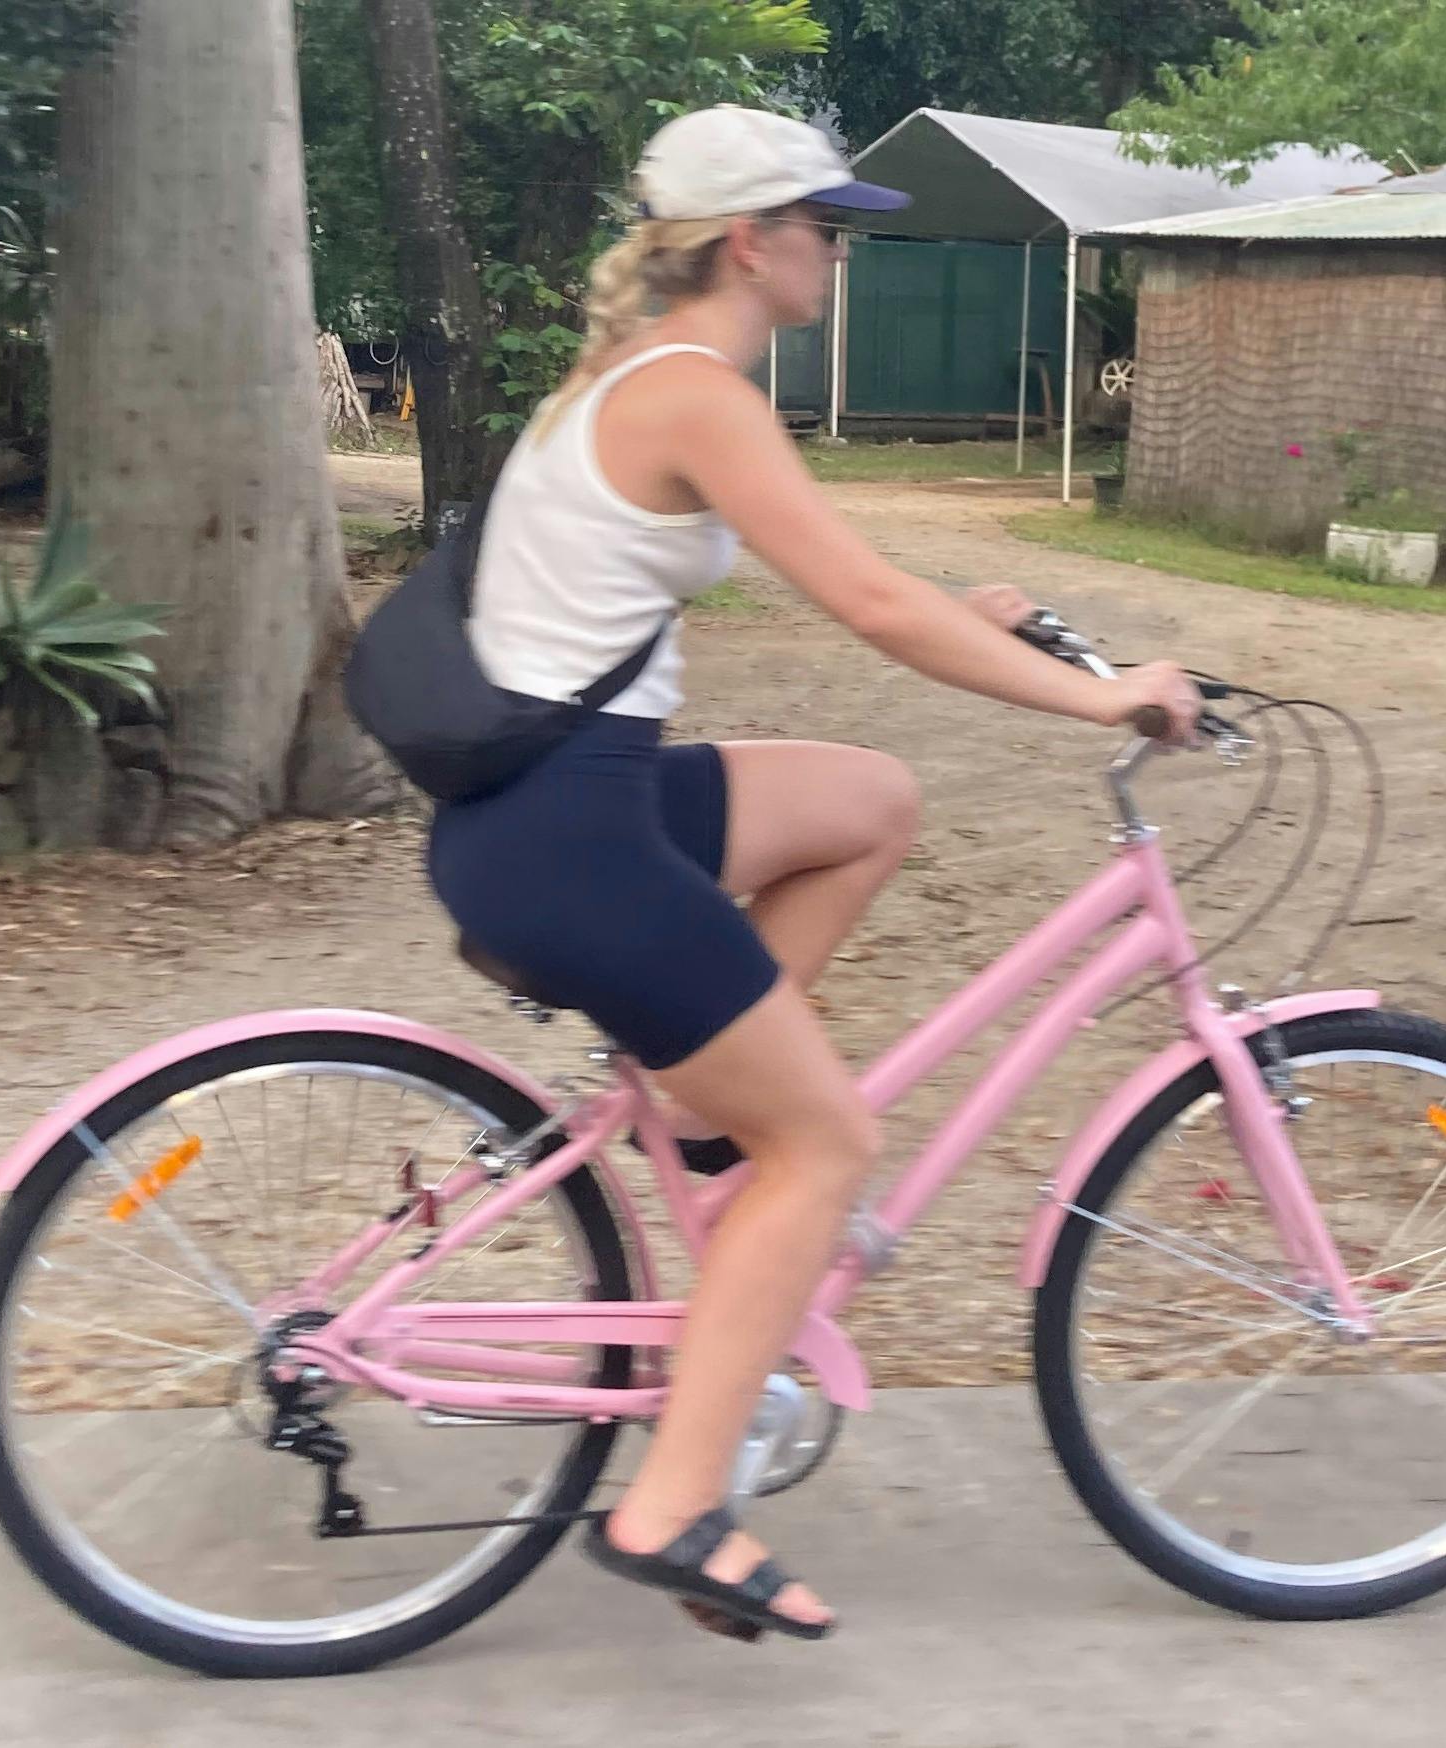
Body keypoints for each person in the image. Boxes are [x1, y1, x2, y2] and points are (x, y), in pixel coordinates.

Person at [426, 105, 1203, 1642]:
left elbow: (849, 570)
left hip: (567, 808)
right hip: (573, 837)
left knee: (866, 799)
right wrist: (1099, 696)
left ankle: (719, 1116)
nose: (837, 248)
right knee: (831, 1146)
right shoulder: (691, 394)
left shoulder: (647, 382)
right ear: (746, 243)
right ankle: (670, 1508)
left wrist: (970, 607)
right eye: (821, 224)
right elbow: (860, 604)